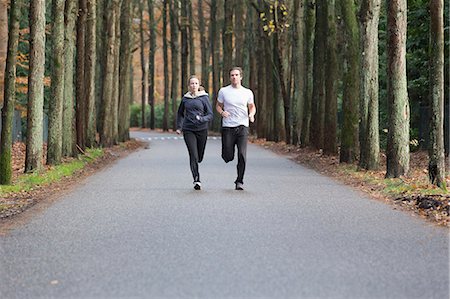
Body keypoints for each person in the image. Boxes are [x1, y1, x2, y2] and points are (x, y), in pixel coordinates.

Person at [216, 67, 256, 190]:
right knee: (228, 156)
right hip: (228, 126)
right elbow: (218, 106)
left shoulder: (247, 92)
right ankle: (227, 156)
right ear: (230, 77)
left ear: (241, 77)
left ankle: (239, 181)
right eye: (232, 75)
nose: (234, 77)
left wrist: (251, 114)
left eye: (236, 75)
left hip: (242, 126)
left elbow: (252, 106)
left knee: (242, 155)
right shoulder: (224, 91)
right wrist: (222, 113)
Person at [176, 75, 213, 190]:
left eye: (196, 83)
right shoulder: (185, 99)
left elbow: (210, 115)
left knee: (199, 156)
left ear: (199, 85)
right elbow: (180, 113)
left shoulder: (204, 98)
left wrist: (202, 119)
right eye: (192, 84)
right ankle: (196, 179)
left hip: (202, 129)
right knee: (193, 155)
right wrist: (179, 127)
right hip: (188, 130)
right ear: (189, 86)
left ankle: (198, 160)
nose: (194, 86)